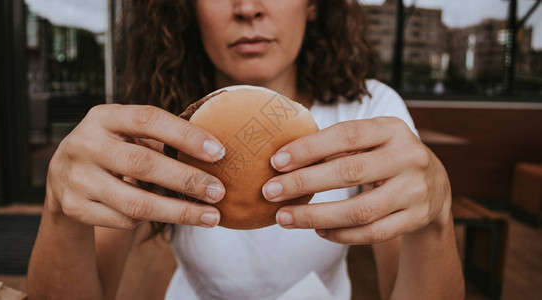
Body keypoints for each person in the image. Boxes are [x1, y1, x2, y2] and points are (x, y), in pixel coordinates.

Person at [28, 0, 464, 299]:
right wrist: (59, 211)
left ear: (314, 4)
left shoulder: (370, 111)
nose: (248, 7)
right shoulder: (156, 121)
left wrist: (436, 219)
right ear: (188, 9)